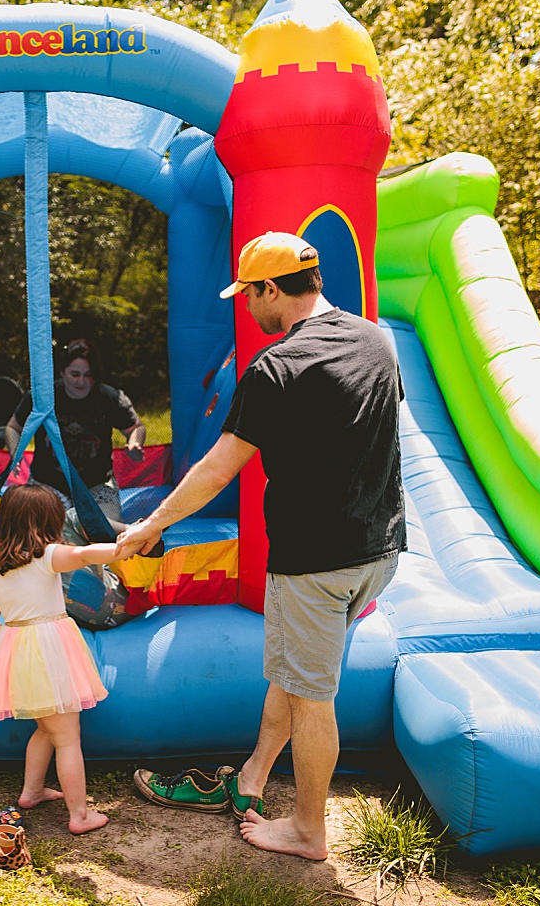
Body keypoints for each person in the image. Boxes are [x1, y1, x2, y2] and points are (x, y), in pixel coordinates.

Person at [117, 231, 406, 862]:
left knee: (310, 697)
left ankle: (308, 831)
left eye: (249, 295)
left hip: (317, 559)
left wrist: (149, 526)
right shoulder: (374, 340)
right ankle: (251, 778)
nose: (246, 308)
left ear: (271, 289)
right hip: (379, 550)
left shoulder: (277, 367)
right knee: (292, 670)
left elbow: (219, 468)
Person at [0, 483, 128, 835]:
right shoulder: (48, 555)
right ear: (49, 522)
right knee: (67, 737)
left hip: (15, 647)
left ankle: (31, 792)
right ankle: (80, 815)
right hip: (47, 648)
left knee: (45, 728)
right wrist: (122, 548)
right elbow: (82, 556)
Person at [3, 338, 146, 524]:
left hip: (97, 485)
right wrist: (16, 452)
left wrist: (135, 443)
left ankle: (130, 532)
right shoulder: (42, 398)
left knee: (104, 528)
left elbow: (136, 427)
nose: (81, 381)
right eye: (75, 374)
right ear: (62, 372)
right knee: (41, 528)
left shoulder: (108, 398)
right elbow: (13, 427)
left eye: (88, 375)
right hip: (48, 483)